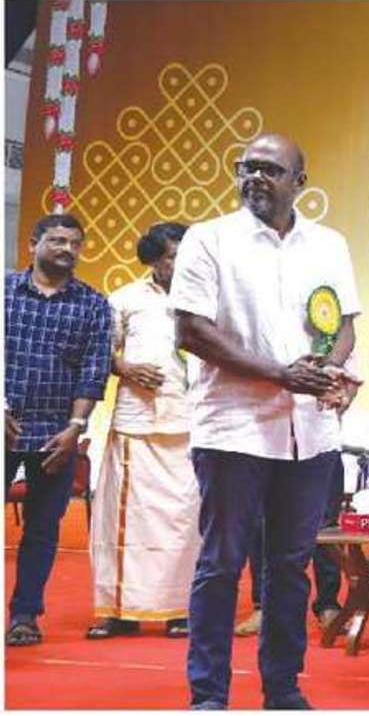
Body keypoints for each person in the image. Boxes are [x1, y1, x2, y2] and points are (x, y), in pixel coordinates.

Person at [172, 134, 361, 709]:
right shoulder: (209, 239)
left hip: (310, 433)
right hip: (234, 428)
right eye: (246, 167)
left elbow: (343, 325)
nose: (255, 177)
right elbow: (192, 332)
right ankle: (209, 694)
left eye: (270, 170)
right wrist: (282, 374)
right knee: (222, 564)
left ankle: (282, 687)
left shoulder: (329, 244)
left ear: (299, 182)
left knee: (290, 568)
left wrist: (327, 370)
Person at [86, 222, 200, 641]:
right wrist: (127, 368)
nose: (179, 265)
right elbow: (97, 352)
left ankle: (180, 609)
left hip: (191, 424)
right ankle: (119, 611)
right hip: (137, 423)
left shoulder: (208, 300)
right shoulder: (125, 299)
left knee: (184, 523)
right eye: (172, 257)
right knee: (126, 521)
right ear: (153, 259)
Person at [4, 213, 113, 648]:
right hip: (4, 422)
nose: (67, 249)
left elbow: (93, 370)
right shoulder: (4, 291)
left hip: (56, 436)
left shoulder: (93, 304)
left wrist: (75, 428)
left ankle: (25, 616)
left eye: (74, 243)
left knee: (42, 530)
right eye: (57, 240)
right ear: (34, 244)